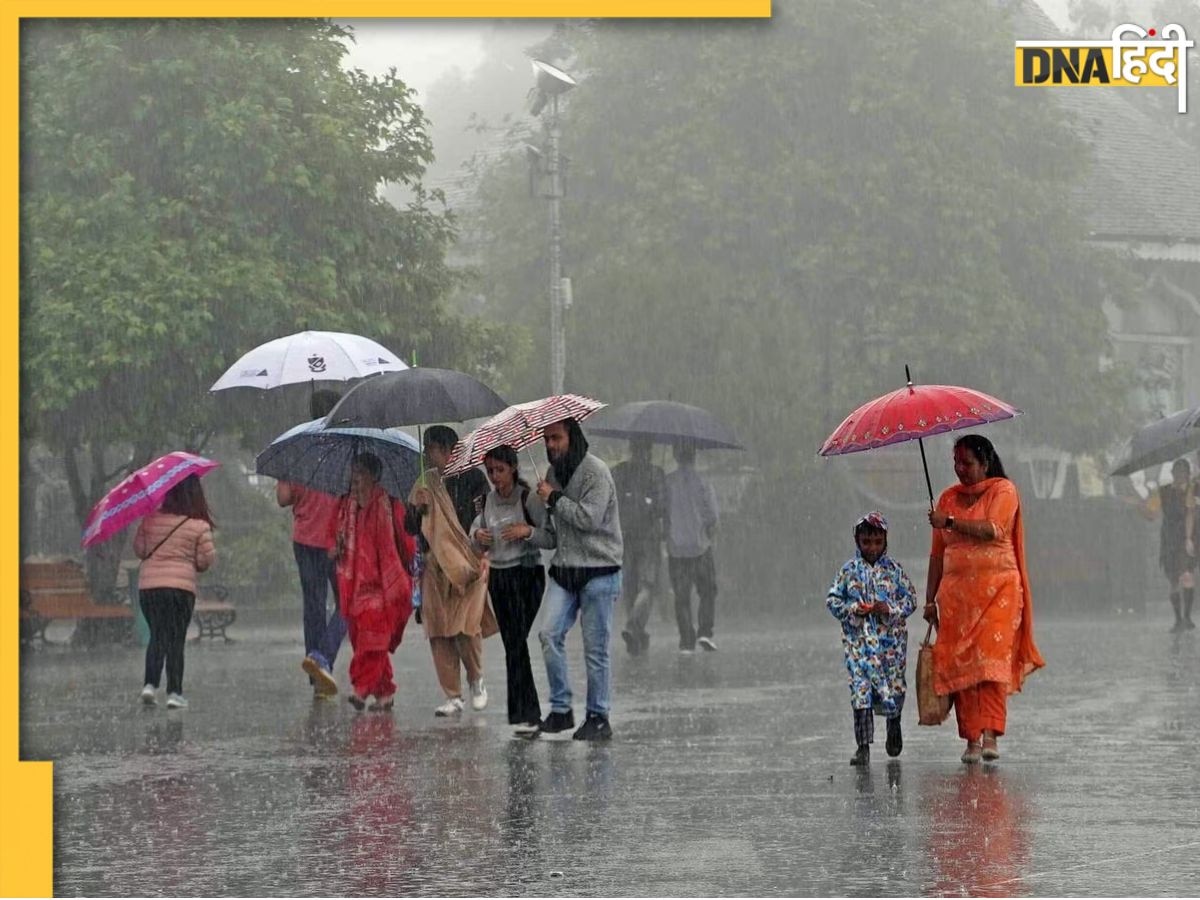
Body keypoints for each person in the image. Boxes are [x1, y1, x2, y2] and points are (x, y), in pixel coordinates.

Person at [925, 434, 1045, 764]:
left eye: (967, 463)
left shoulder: (1003, 491)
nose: (960, 469)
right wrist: (929, 600)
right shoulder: (947, 498)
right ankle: (971, 740)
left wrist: (948, 521)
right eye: (956, 463)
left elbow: (993, 529)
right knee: (962, 666)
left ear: (985, 462)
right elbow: (937, 556)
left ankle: (991, 734)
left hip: (999, 594)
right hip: (957, 600)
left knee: (990, 664)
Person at [534, 418, 623, 741]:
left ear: (572, 437)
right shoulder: (552, 475)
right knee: (548, 634)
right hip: (565, 570)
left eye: (556, 438)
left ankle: (599, 716)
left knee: (595, 649)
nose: (551, 445)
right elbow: (551, 534)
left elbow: (589, 518)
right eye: (546, 439)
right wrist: (527, 531)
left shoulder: (595, 472)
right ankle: (561, 710)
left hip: (600, 570)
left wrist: (555, 499)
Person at [407, 434, 497, 718]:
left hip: (468, 562)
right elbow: (410, 527)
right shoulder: (424, 483)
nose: (426, 453)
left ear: (447, 449)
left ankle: (476, 678)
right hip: (434, 565)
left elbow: (485, 515)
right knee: (438, 631)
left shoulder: (474, 479)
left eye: (430, 447)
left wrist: (480, 537)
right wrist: (416, 509)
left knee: (465, 626)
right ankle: (452, 694)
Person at [470, 445, 552, 734]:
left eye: (500, 470)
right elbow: (475, 537)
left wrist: (526, 532)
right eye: (490, 471)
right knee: (512, 644)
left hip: (527, 576)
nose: (495, 477)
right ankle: (523, 714)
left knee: (516, 641)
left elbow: (550, 537)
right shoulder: (485, 503)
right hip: (500, 579)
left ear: (513, 468)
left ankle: (527, 713)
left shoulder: (528, 499)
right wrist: (478, 537)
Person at [826, 511, 917, 766]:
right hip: (859, 645)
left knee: (895, 687)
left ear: (885, 541)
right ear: (857, 541)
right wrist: (853, 610)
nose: (872, 548)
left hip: (891, 646)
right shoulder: (848, 571)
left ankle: (894, 725)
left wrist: (887, 609)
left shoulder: (894, 571)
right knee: (861, 692)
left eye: (877, 542)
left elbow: (910, 600)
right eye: (867, 542)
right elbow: (832, 600)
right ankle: (863, 745)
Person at [333, 452, 416, 712]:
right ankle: (384, 692)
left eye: (360, 473)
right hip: (355, 586)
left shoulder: (390, 506)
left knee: (373, 640)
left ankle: (361, 688)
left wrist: (412, 571)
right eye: (353, 473)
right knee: (362, 640)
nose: (355, 479)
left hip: (383, 587)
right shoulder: (347, 508)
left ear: (373, 476)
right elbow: (335, 540)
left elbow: (407, 544)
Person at [277, 388, 345, 696]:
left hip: (304, 540)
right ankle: (323, 658)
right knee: (348, 604)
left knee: (313, 607)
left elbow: (283, 498)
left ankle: (317, 677)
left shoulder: (297, 446)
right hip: (338, 540)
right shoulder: (344, 446)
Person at [133, 474, 216, 710]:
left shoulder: (150, 520)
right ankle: (174, 692)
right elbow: (205, 561)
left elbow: (140, 549)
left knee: (157, 635)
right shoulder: (198, 525)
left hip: (150, 589)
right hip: (180, 590)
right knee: (176, 639)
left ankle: (149, 684)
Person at [611, 438, 666, 657]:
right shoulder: (656, 474)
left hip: (625, 537)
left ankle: (638, 635)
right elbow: (662, 507)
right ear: (649, 452)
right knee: (648, 585)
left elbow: (611, 503)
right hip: (649, 538)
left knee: (631, 586)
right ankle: (634, 626)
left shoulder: (618, 473)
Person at [665, 442, 720, 653]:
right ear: (694, 456)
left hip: (676, 548)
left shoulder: (667, 482)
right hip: (700, 547)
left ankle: (686, 640)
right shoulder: (703, 482)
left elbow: (662, 511)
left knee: (681, 596)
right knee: (707, 590)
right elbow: (712, 516)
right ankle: (705, 632)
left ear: (676, 455)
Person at [1141, 458, 1198, 632]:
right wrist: (1143, 503)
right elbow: (1151, 515)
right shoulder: (1163, 491)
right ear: (1172, 473)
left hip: (1187, 536)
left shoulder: (1193, 490)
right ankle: (1178, 619)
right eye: (1177, 472)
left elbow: (1191, 513)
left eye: (1183, 472)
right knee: (1173, 579)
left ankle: (1187, 616)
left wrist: (1188, 538)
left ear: (1188, 474)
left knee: (1186, 574)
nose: (1180, 475)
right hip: (1169, 538)